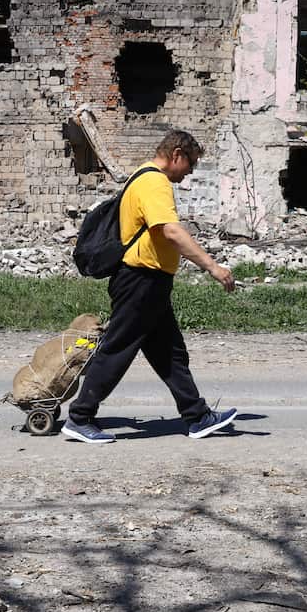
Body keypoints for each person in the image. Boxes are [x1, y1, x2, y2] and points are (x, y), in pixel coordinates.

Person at [62, 130, 238, 446]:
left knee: (170, 353)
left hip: (150, 281)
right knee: (117, 349)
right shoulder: (155, 182)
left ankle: (197, 417)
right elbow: (170, 230)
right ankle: (80, 417)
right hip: (140, 280)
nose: (190, 172)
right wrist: (212, 266)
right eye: (191, 164)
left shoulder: (141, 177)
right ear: (177, 155)